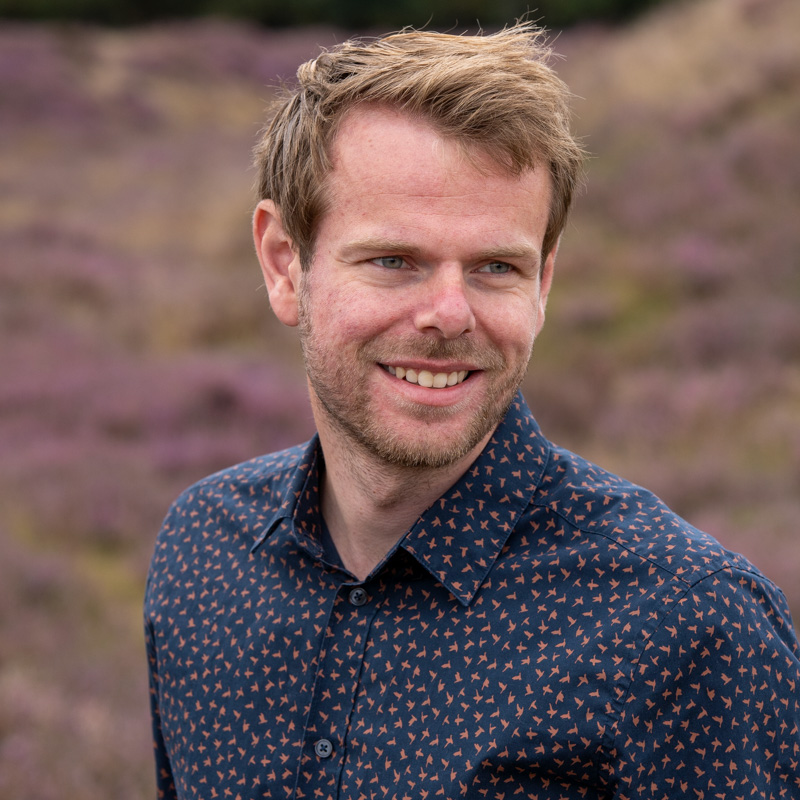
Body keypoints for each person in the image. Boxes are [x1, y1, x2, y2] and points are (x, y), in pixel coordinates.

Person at [144, 24, 800, 800]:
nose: (450, 314)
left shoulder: (690, 628)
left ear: (543, 282)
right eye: (394, 261)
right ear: (285, 264)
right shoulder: (203, 554)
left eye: (495, 267)